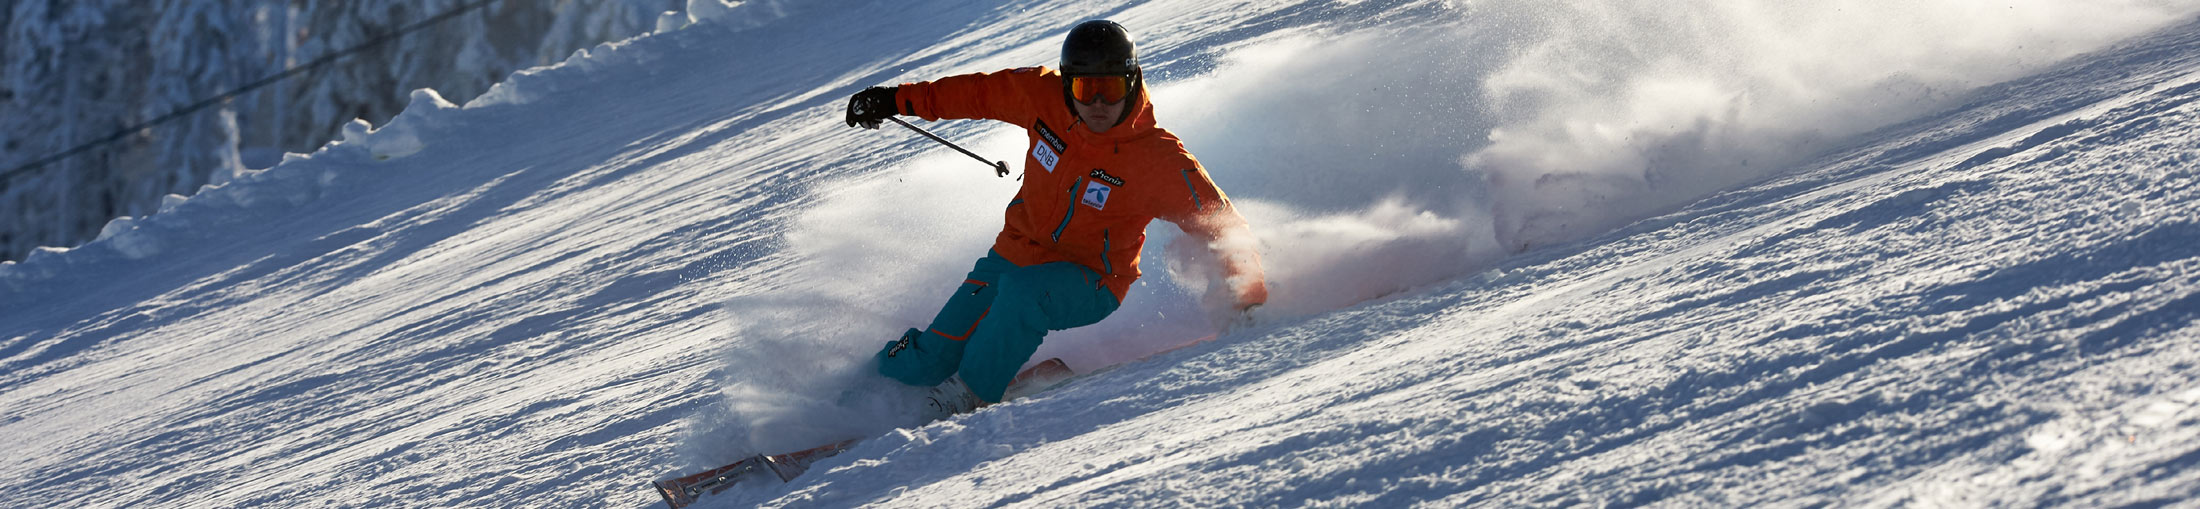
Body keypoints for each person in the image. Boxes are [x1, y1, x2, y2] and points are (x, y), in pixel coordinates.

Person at [843, 20, 1266, 409]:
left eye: (1112, 89)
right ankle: (865, 388)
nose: (1098, 104)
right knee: (932, 357)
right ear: (1067, 86)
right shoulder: (1041, 97)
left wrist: (1245, 298)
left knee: (1023, 296)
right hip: (1014, 254)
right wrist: (894, 99)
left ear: (1132, 82)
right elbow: (975, 93)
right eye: (1085, 90)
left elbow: (1222, 225)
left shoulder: (1157, 160)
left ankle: (967, 394)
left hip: (1092, 279)